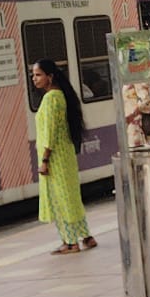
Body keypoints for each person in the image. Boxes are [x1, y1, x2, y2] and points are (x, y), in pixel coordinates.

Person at [33, 59, 96, 254]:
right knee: (71, 197)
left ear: (50, 77)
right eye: (33, 75)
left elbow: (50, 131)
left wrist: (45, 160)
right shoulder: (61, 96)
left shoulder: (51, 98)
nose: (34, 79)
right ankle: (86, 236)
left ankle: (70, 242)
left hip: (54, 158)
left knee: (60, 201)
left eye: (38, 75)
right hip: (65, 155)